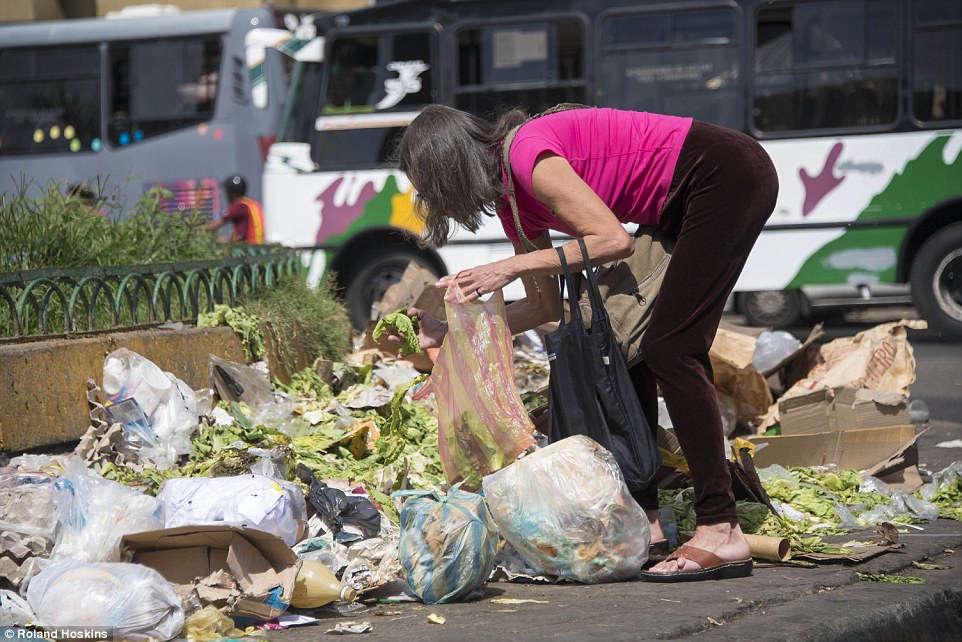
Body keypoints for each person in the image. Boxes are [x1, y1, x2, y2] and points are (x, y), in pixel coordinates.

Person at [395, 105, 778, 582]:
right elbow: (543, 310)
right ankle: (648, 522)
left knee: (673, 348)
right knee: (619, 346)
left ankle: (721, 527)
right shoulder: (514, 203)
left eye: (429, 185)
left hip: (722, 173)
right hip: (679, 199)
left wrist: (509, 268)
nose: (435, 199)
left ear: (448, 169)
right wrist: (448, 330)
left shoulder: (525, 155)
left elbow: (614, 240)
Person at [205, 175, 265, 244]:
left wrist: (195, 230)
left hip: (246, 249)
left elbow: (215, 224)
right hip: (258, 246)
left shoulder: (239, 207)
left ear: (232, 193)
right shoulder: (253, 204)